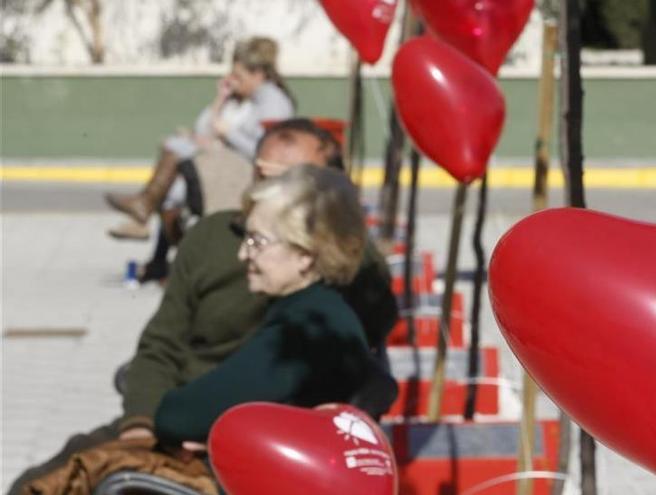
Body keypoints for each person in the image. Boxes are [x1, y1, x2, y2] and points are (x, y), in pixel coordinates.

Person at [6, 119, 398, 494]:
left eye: (293, 182)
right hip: (179, 424)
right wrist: (140, 424)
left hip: (226, 448)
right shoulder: (214, 241)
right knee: (50, 473)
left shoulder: (313, 315)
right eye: (265, 174)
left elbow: (208, 406)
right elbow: (160, 345)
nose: (246, 252)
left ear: (308, 245)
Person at [154, 165, 372, 446]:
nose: (243, 253)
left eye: (256, 241)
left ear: (305, 254)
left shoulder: (303, 331)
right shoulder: (322, 310)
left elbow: (178, 417)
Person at [105, 36, 295, 241]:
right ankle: (149, 226)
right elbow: (204, 127)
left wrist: (227, 134)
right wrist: (221, 99)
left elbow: (263, 151)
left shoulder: (272, 103)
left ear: (257, 75)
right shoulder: (248, 100)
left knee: (176, 159)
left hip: (241, 173)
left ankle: (145, 211)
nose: (233, 81)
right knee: (174, 184)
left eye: (239, 77)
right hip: (223, 165)